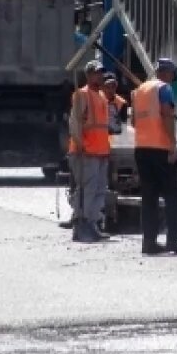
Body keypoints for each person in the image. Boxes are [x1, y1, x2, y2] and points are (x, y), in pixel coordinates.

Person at [132, 58, 177, 255]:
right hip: (161, 149)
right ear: (168, 73)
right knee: (173, 196)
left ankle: (149, 242)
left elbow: (134, 120)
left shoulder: (139, 91)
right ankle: (173, 241)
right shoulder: (164, 89)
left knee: (149, 198)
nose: (172, 79)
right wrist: (172, 144)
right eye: (172, 75)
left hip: (141, 148)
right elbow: (166, 115)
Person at [66, 60, 112, 243]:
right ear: (89, 75)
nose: (100, 76)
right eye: (97, 73)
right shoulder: (82, 95)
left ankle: (92, 224)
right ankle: (81, 224)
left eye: (101, 72)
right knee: (87, 190)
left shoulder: (101, 96)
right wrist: (80, 144)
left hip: (100, 151)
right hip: (85, 152)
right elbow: (74, 122)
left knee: (100, 189)